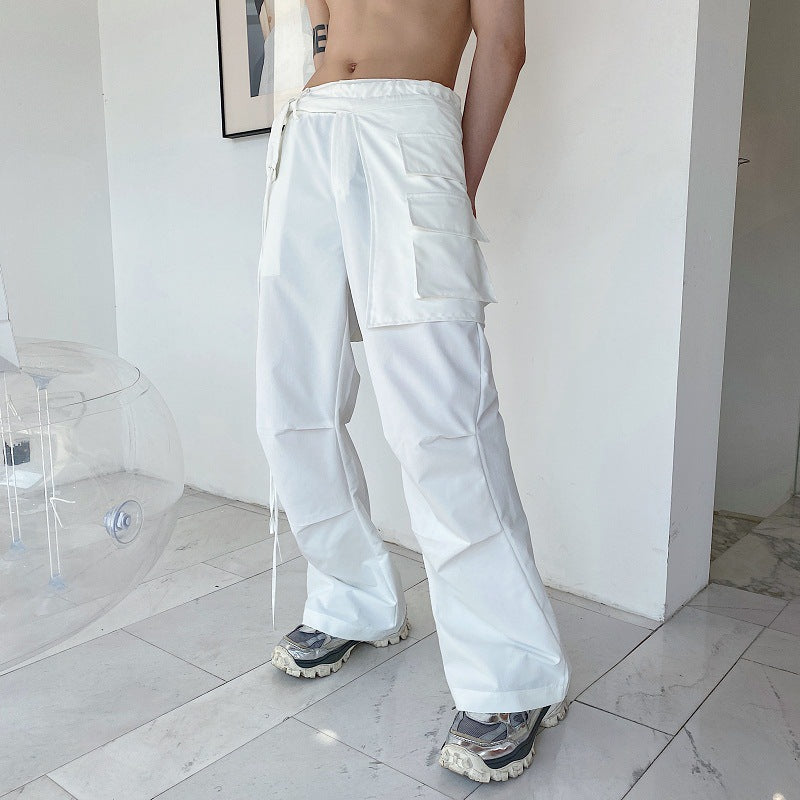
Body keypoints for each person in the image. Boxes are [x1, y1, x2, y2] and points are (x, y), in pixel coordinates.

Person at [254, 0, 571, 783]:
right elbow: (303, 29)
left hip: (407, 128)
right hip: (307, 131)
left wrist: (457, 182)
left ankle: (514, 672)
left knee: (442, 422)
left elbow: (504, 45)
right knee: (292, 399)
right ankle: (351, 599)